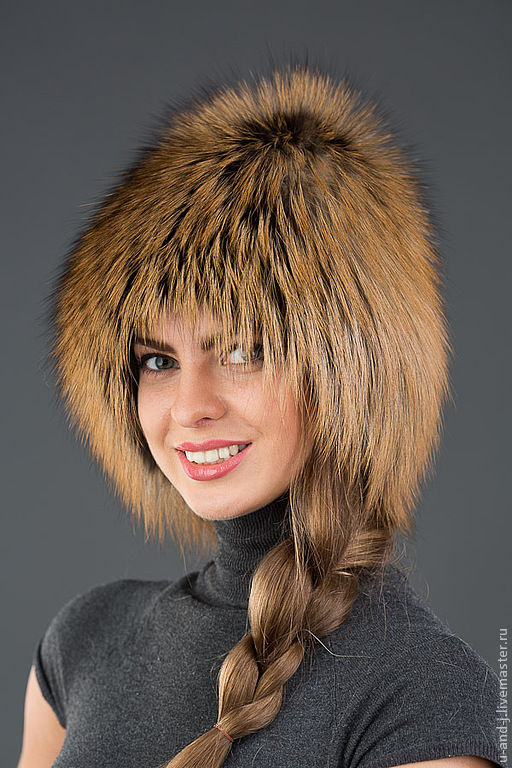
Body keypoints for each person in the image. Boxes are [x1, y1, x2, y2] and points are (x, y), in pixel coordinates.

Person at [17, 65, 503, 768]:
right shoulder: (84, 642)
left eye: (243, 351)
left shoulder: (422, 697)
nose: (191, 406)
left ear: (349, 374)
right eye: (158, 360)